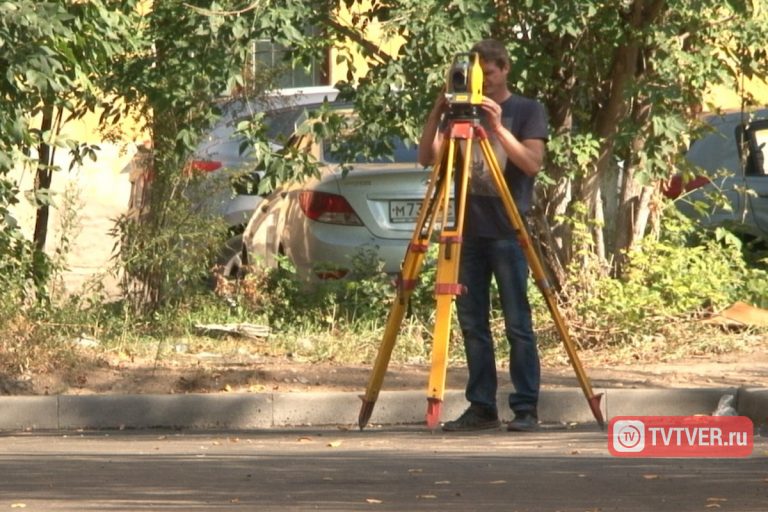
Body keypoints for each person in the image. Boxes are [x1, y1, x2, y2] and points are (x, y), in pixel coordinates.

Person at [417, 39, 549, 432]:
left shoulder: (526, 110)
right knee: (473, 325)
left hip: (507, 230)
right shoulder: (458, 113)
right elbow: (428, 158)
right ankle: (482, 407)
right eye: (475, 75)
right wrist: (439, 111)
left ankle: (525, 408)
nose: (482, 82)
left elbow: (530, 164)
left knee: (517, 324)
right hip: (467, 233)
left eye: (488, 74)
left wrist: (495, 129)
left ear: (504, 69)